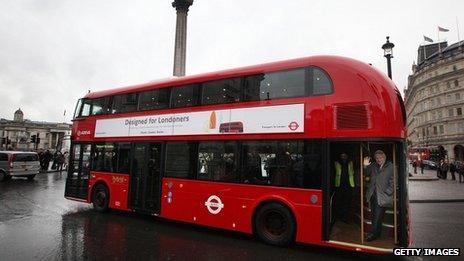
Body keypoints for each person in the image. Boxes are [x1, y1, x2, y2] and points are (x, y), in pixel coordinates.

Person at [363, 150, 394, 242]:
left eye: (380, 158)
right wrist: (365, 165)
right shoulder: (373, 165)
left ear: (384, 157)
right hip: (372, 194)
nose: (378, 159)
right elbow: (366, 172)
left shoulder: (391, 167)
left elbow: (394, 182)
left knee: (377, 216)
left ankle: (373, 234)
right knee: (374, 215)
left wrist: (387, 192)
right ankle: (375, 233)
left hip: (382, 196)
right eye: (376, 158)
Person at [333, 152, 355, 223]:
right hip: (339, 185)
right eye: (342, 156)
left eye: (345, 156)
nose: (343, 157)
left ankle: (345, 218)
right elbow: (333, 173)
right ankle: (339, 216)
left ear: (347, 156)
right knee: (339, 202)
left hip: (349, 185)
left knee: (347, 202)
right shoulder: (336, 163)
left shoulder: (351, 163)